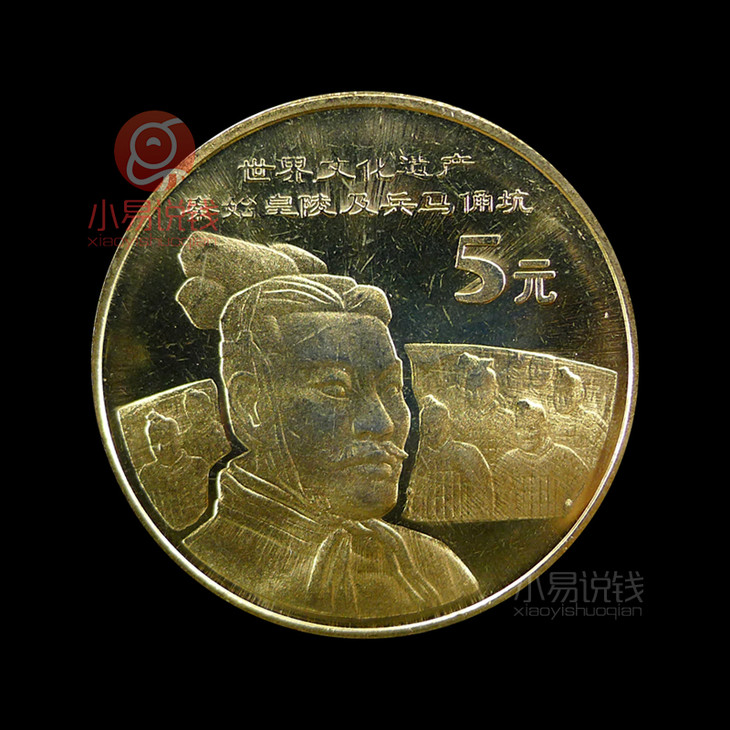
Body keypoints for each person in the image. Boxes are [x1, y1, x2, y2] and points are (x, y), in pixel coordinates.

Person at [175, 232, 480, 620]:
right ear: (250, 403)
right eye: (335, 388)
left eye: (390, 388)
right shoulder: (205, 561)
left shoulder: (435, 569)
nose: (383, 423)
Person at [493, 399, 589, 519]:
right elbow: (498, 509)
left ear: (545, 428)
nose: (525, 434)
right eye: (520, 428)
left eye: (531, 428)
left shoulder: (566, 457)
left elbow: (588, 489)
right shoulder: (506, 463)